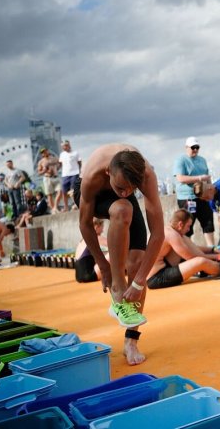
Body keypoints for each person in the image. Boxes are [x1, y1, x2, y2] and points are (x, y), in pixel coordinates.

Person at [75, 144, 166, 366]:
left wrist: (139, 281)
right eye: (121, 188)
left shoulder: (145, 176)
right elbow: (85, 224)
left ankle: (131, 341)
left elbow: (158, 234)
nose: (125, 192)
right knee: (122, 207)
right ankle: (117, 286)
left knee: (136, 262)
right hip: (96, 195)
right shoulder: (93, 175)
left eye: (131, 189)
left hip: (124, 180)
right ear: (109, 172)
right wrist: (103, 266)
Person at [147, 210, 220, 289]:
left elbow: (190, 248)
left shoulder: (169, 230)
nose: (189, 229)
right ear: (180, 224)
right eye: (188, 226)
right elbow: (192, 257)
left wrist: (211, 249)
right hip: (157, 278)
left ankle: (211, 266)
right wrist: (217, 256)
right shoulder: (173, 235)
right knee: (201, 262)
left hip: (160, 269)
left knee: (184, 239)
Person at [173, 137, 216, 248]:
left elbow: (207, 177)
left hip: (202, 197)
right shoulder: (181, 160)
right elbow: (180, 178)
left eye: (197, 147)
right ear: (187, 147)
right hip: (187, 197)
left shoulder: (202, 160)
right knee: (187, 226)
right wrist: (199, 178)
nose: (195, 150)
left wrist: (210, 190)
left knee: (208, 223)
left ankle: (212, 248)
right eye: (193, 148)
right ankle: (187, 249)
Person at [75, 217, 108, 283]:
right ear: (97, 227)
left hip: (79, 276)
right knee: (114, 253)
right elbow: (114, 245)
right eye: (102, 227)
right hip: (89, 275)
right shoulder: (96, 237)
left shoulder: (83, 239)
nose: (103, 231)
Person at [58, 139, 81, 212]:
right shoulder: (62, 154)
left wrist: (79, 171)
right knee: (64, 191)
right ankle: (66, 207)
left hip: (74, 173)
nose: (64, 147)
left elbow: (79, 162)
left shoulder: (75, 153)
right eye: (63, 146)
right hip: (65, 174)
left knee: (73, 191)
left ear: (69, 145)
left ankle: (76, 204)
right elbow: (60, 164)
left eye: (66, 145)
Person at [36, 148, 61, 212]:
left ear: (48, 151)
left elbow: (60, 164)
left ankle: (55, 206)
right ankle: (53, 209)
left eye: (45, 151)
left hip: (56, 177)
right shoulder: (41, 162)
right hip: (47, 178)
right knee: (49, 194)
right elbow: (39, 172)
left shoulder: (54, 158)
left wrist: (56, 168)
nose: (44, 153)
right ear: (42, 154)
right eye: (42, 152)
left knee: (60, 191)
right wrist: (44, 171)